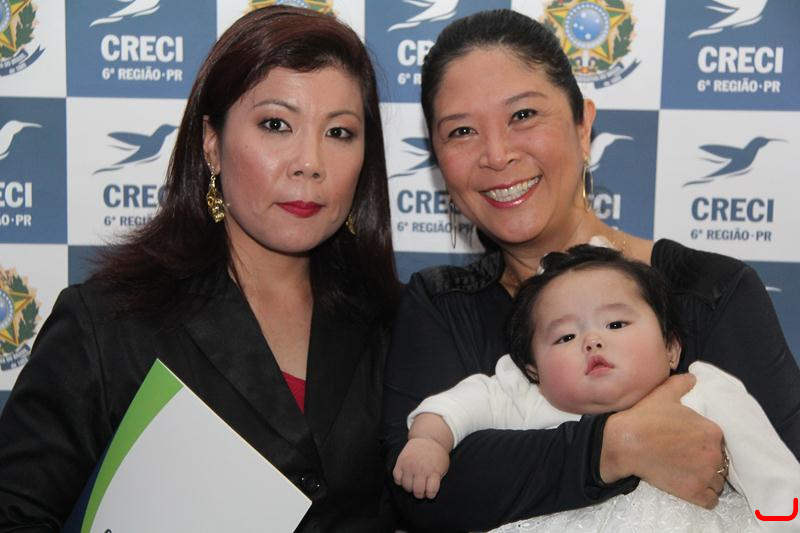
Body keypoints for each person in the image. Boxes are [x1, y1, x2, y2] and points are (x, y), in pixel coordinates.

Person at [381, 8, 800, 532]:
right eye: (462, 131)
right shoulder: (442, 305)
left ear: (584, 126)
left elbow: (784, 480)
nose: (497, 154)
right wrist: (617, 445)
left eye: (523, 115)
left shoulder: (710, 292)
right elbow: (423, 496)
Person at [0, 6, 399, 532]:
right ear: (212, 143)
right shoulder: (107, 324)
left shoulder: (394, 321)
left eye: (340, 132)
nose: (310, 162)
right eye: (276, 125)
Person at [393, 245, 800, 532]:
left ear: (672, 347)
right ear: (533, 370)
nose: (592, 341)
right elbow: (457, 405)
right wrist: (429, 440)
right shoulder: (521, 395)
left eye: (616, 324)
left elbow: (775, 479)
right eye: (565, 337)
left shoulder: (702, 392)